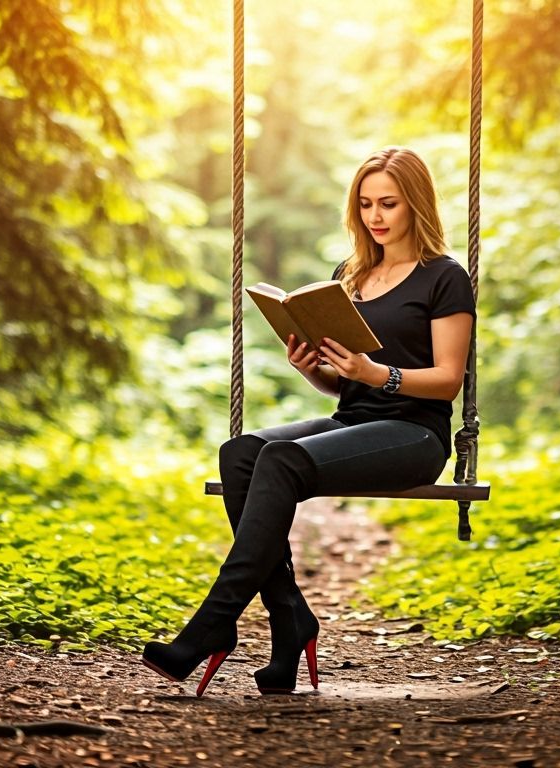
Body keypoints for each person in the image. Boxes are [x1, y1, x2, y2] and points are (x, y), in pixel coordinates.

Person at [141, 146, 476, 696]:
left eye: (388, 203)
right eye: (365, 204)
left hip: (414, 434)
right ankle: (289, 617)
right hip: (353, 421)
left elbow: (446, 380)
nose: (375, 216)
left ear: (415, 204)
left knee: (282, 457)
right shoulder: (350, 274)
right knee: (241, 453)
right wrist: (315, 370)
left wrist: (377, 374)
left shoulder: (444, 278)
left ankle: (211, 623)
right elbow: (344, 382)